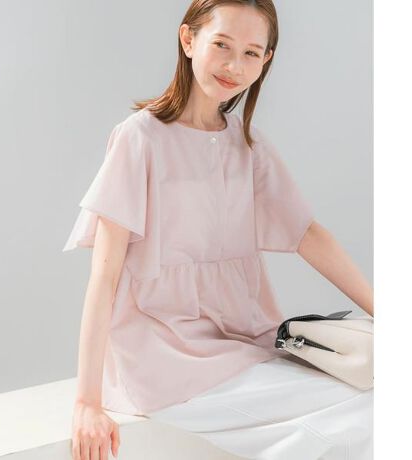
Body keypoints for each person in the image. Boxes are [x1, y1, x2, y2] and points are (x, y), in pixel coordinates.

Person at [64, 1, 374, 459]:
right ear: (188, 40)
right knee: (366, 420)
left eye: (251, 52)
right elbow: (104, 277)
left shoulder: (248, 145)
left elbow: (308, 235)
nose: (234, 66)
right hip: (165, 360)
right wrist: (86, 402)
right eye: (222, 45)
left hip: (245, 344)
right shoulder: (140, 138)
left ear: (266, 59)